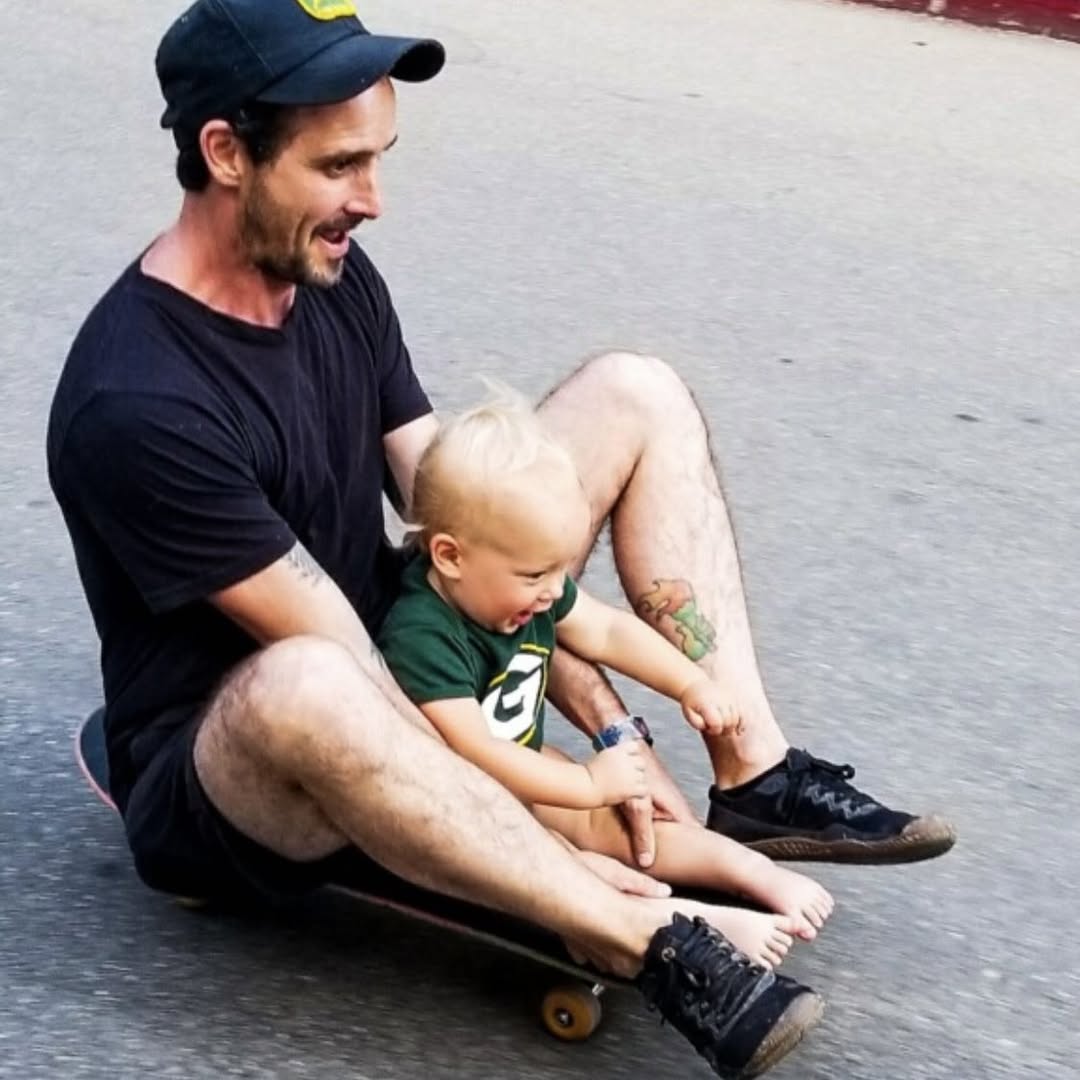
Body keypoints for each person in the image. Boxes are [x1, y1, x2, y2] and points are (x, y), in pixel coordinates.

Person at [44, 0, 956, 1075]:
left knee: (634, 394)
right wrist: (568, 847)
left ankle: (753, 773)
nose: (372, 201)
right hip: (233, 771)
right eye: (340, 166)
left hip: (384, 650)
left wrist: (618, 737)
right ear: (226, 152)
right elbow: (343, 659)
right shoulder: (140, 403)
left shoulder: (325, 273)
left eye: (380, 159)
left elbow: (459, 518)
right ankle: (653, 943)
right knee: (309, 684)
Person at [376, 395, 835, 970]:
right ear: (450, 556)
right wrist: (590, 783)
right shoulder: (423, 634)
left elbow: (607, 631)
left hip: (522, 764)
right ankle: (682, 924)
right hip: (464, 798)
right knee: (574, 850)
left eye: (556, 569)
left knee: (627, 822)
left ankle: (752, 872)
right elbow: (476, 751)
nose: (550, 591)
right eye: (533, 575)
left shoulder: (527, 586)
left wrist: (691, 684)